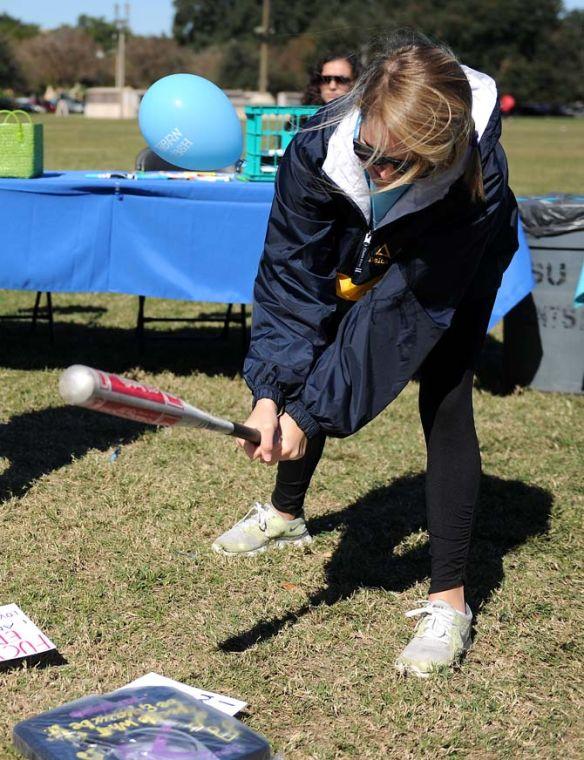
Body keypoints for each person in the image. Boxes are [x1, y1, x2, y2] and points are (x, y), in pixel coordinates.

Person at [212, 32, 518, 678]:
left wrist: (313, 413)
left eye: (395, 163)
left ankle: (449, 602)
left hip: (459, 249)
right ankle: (285, 514)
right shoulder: (319, 149)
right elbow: (292, 280)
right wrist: (271, 394)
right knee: (314, 342)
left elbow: (398, 319)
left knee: (446, 388)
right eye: (367, 151)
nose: (376, 169)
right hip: (367, 229)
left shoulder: (475, 182)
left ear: (439, 154)